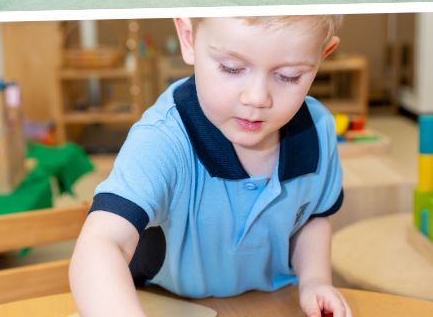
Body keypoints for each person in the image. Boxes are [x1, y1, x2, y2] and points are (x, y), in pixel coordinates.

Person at [69, 16, 353, 317]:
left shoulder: (319, 129)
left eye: (288, 76)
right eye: (231, 68)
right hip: (165, 303)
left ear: (323, 54)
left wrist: (314, 279)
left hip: (272, 301)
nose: (256, 98)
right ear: (189, 38)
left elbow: (312, 217)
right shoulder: (163, 140)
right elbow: (100, 243)